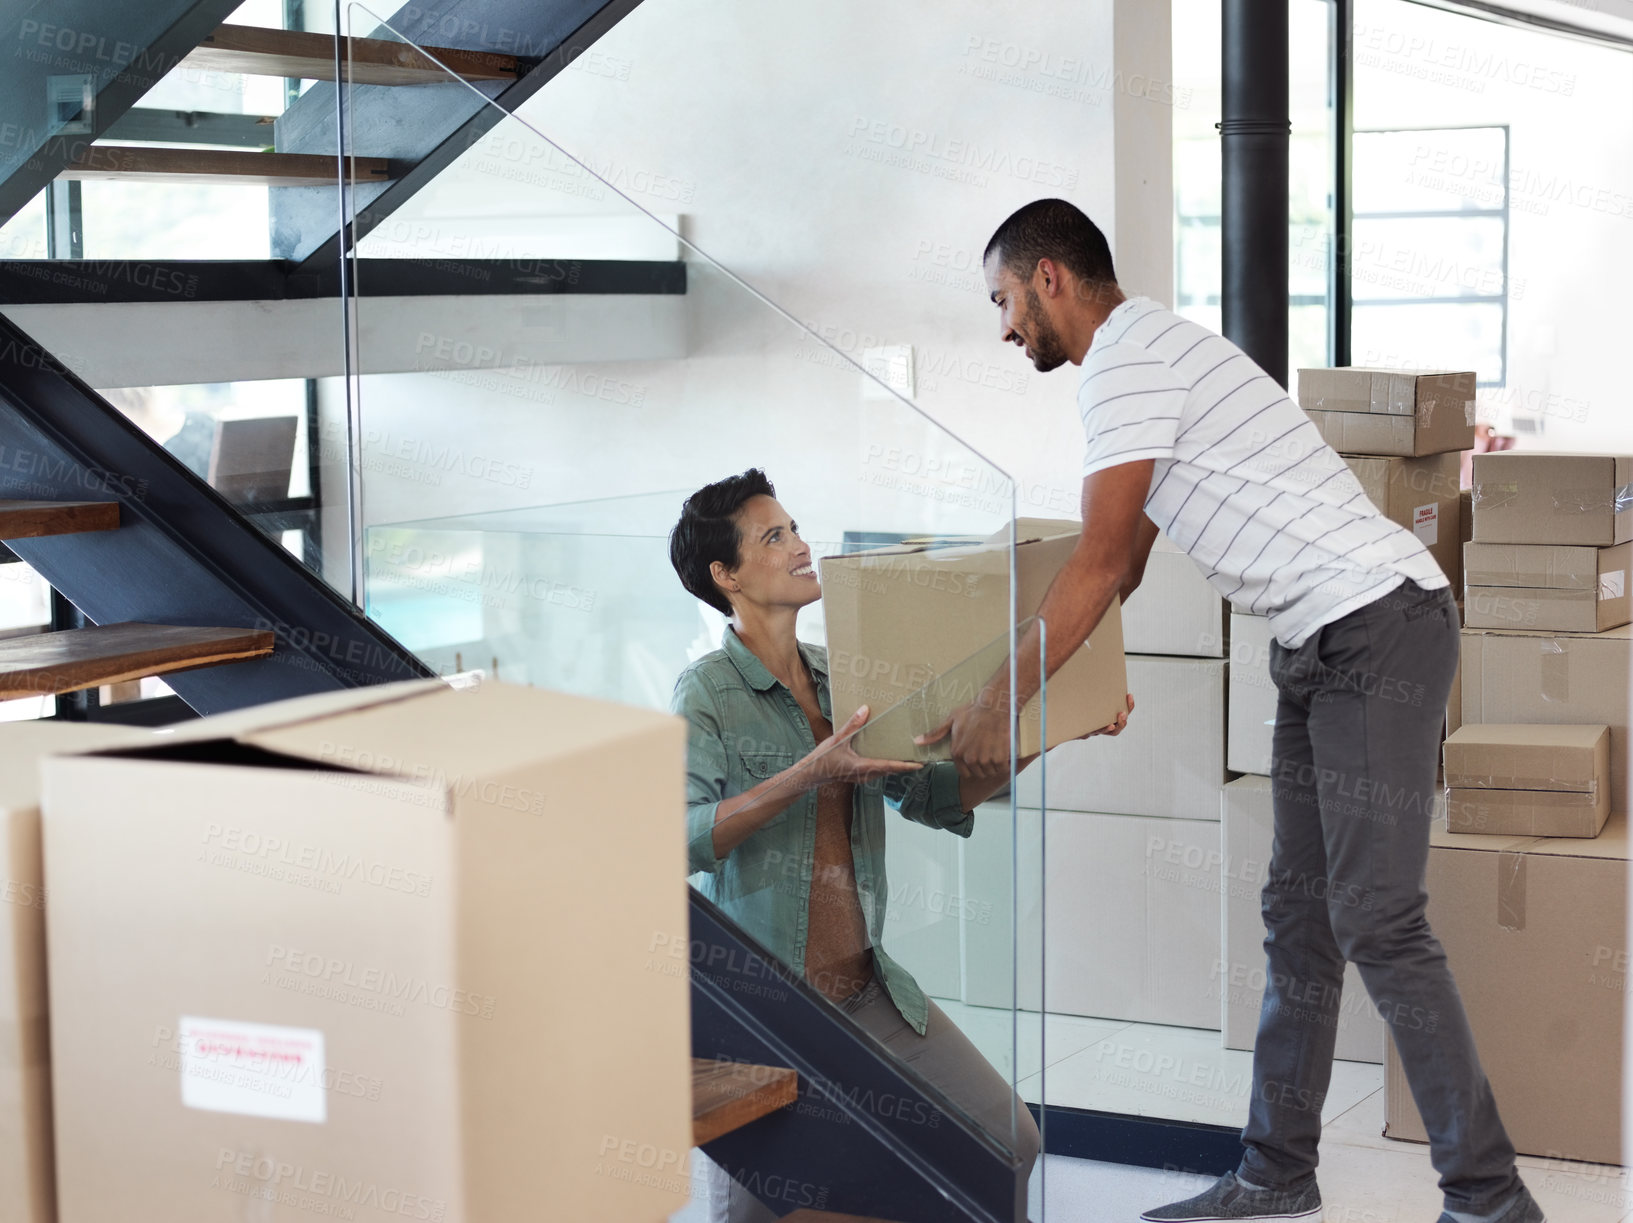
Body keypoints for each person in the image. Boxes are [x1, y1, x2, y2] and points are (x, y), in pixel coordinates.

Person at [920, 199, 1540, 1223]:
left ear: (1049, 277)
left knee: (1375, 913)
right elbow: (1129, 561)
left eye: (1002, 300)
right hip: (1316, 638)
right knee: (1298, 915)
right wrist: (1079, 684)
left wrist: (1000, 703)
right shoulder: (1147, 355)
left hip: (1373, 622)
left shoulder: (1125, 362)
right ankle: (1275, 1171)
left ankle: (1489, 1195)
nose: (1003, 328)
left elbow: (1102, 554)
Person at [669, 469, 1133, 1223]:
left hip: (869, 991)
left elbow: (932, 797)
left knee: (1008, 1140)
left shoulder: (839, 673)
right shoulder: (707, 692)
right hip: (772, 1017)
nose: (801, 546)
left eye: (795, 528)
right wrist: (805, 775)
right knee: (767, 1213)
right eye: (774, 536)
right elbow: (679, 835)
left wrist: (1051, 731)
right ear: (725, 575)